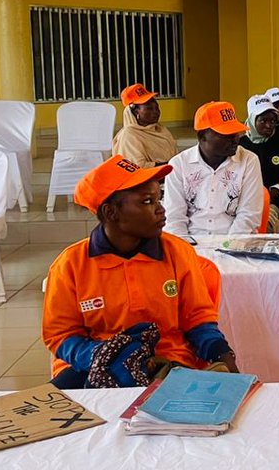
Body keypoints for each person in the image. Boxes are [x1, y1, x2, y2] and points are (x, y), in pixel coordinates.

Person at [42, 156, 238, 388]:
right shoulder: (71, 265)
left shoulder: (178, 253)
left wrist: (224, 357)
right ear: (111, 212)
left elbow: (198, 320)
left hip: (168, 366)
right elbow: (61, 335)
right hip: (91, 369)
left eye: (159, 198)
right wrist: (109, 356)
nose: (161, 209)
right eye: (147, 201)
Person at [163, 101, 264, 236]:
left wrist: (229, 247)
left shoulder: (248, 161)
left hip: (237, 243)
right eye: (226, 134)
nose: (235, 139)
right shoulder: (179, 164)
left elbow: (249, 215)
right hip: (191, 244)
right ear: (202, 136)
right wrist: (186, 251)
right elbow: (174, 219)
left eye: (236, 133)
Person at [239, 95, 279, 232]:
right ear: (253, 120)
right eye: (263, 121)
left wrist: (275, 191)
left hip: (272, 203)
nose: (269, 125)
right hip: (241, 202)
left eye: (272, 121)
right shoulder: (239, 146)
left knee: (264, 223)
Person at [111, 83, 176, 167]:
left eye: (157, 107)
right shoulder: (129, 135)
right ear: (135, 112)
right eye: (149, 108)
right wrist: (171, 166)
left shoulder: (161, 129)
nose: (156, 112)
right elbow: (138, 167)